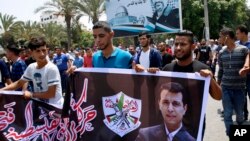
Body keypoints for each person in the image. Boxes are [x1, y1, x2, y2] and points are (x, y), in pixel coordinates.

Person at [162, 30, 222, 139]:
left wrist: (211, 79)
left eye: (183, 44)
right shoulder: (167, 69)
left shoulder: (202, 69)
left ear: (193, 46)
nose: (178, 48)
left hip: (194, 129)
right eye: (176, 44)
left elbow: (218, 96)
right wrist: (145, 73)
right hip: (170, 128)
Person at [0, 37, 64, 109]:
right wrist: (2, 90)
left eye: (44, 50)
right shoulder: (31, 67)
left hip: (55, 109)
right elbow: (19, 83)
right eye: (38, 51)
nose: (42, 54)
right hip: (42, 109)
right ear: (31, 53)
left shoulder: (51, 68)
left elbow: (51, 93)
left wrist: (31, 94)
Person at [217, 27, 249, 136]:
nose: (219, 39)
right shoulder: (221, 52)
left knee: (240, 114)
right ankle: (231, 134)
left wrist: (245, 69)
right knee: (227, 114)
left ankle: (239, 129)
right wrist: (218, 84)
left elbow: (248, 65)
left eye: (221, 36)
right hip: (226, 87)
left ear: (227, 37)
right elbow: (220, 70)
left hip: (239, 88)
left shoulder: (243, 50)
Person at [235, 24, 250, 121]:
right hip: (240, 76)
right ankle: (244, 114)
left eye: (238, 33)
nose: (236, 35)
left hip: (249, 76)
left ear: (244, 33)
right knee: (242, 97)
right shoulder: (236, 45)